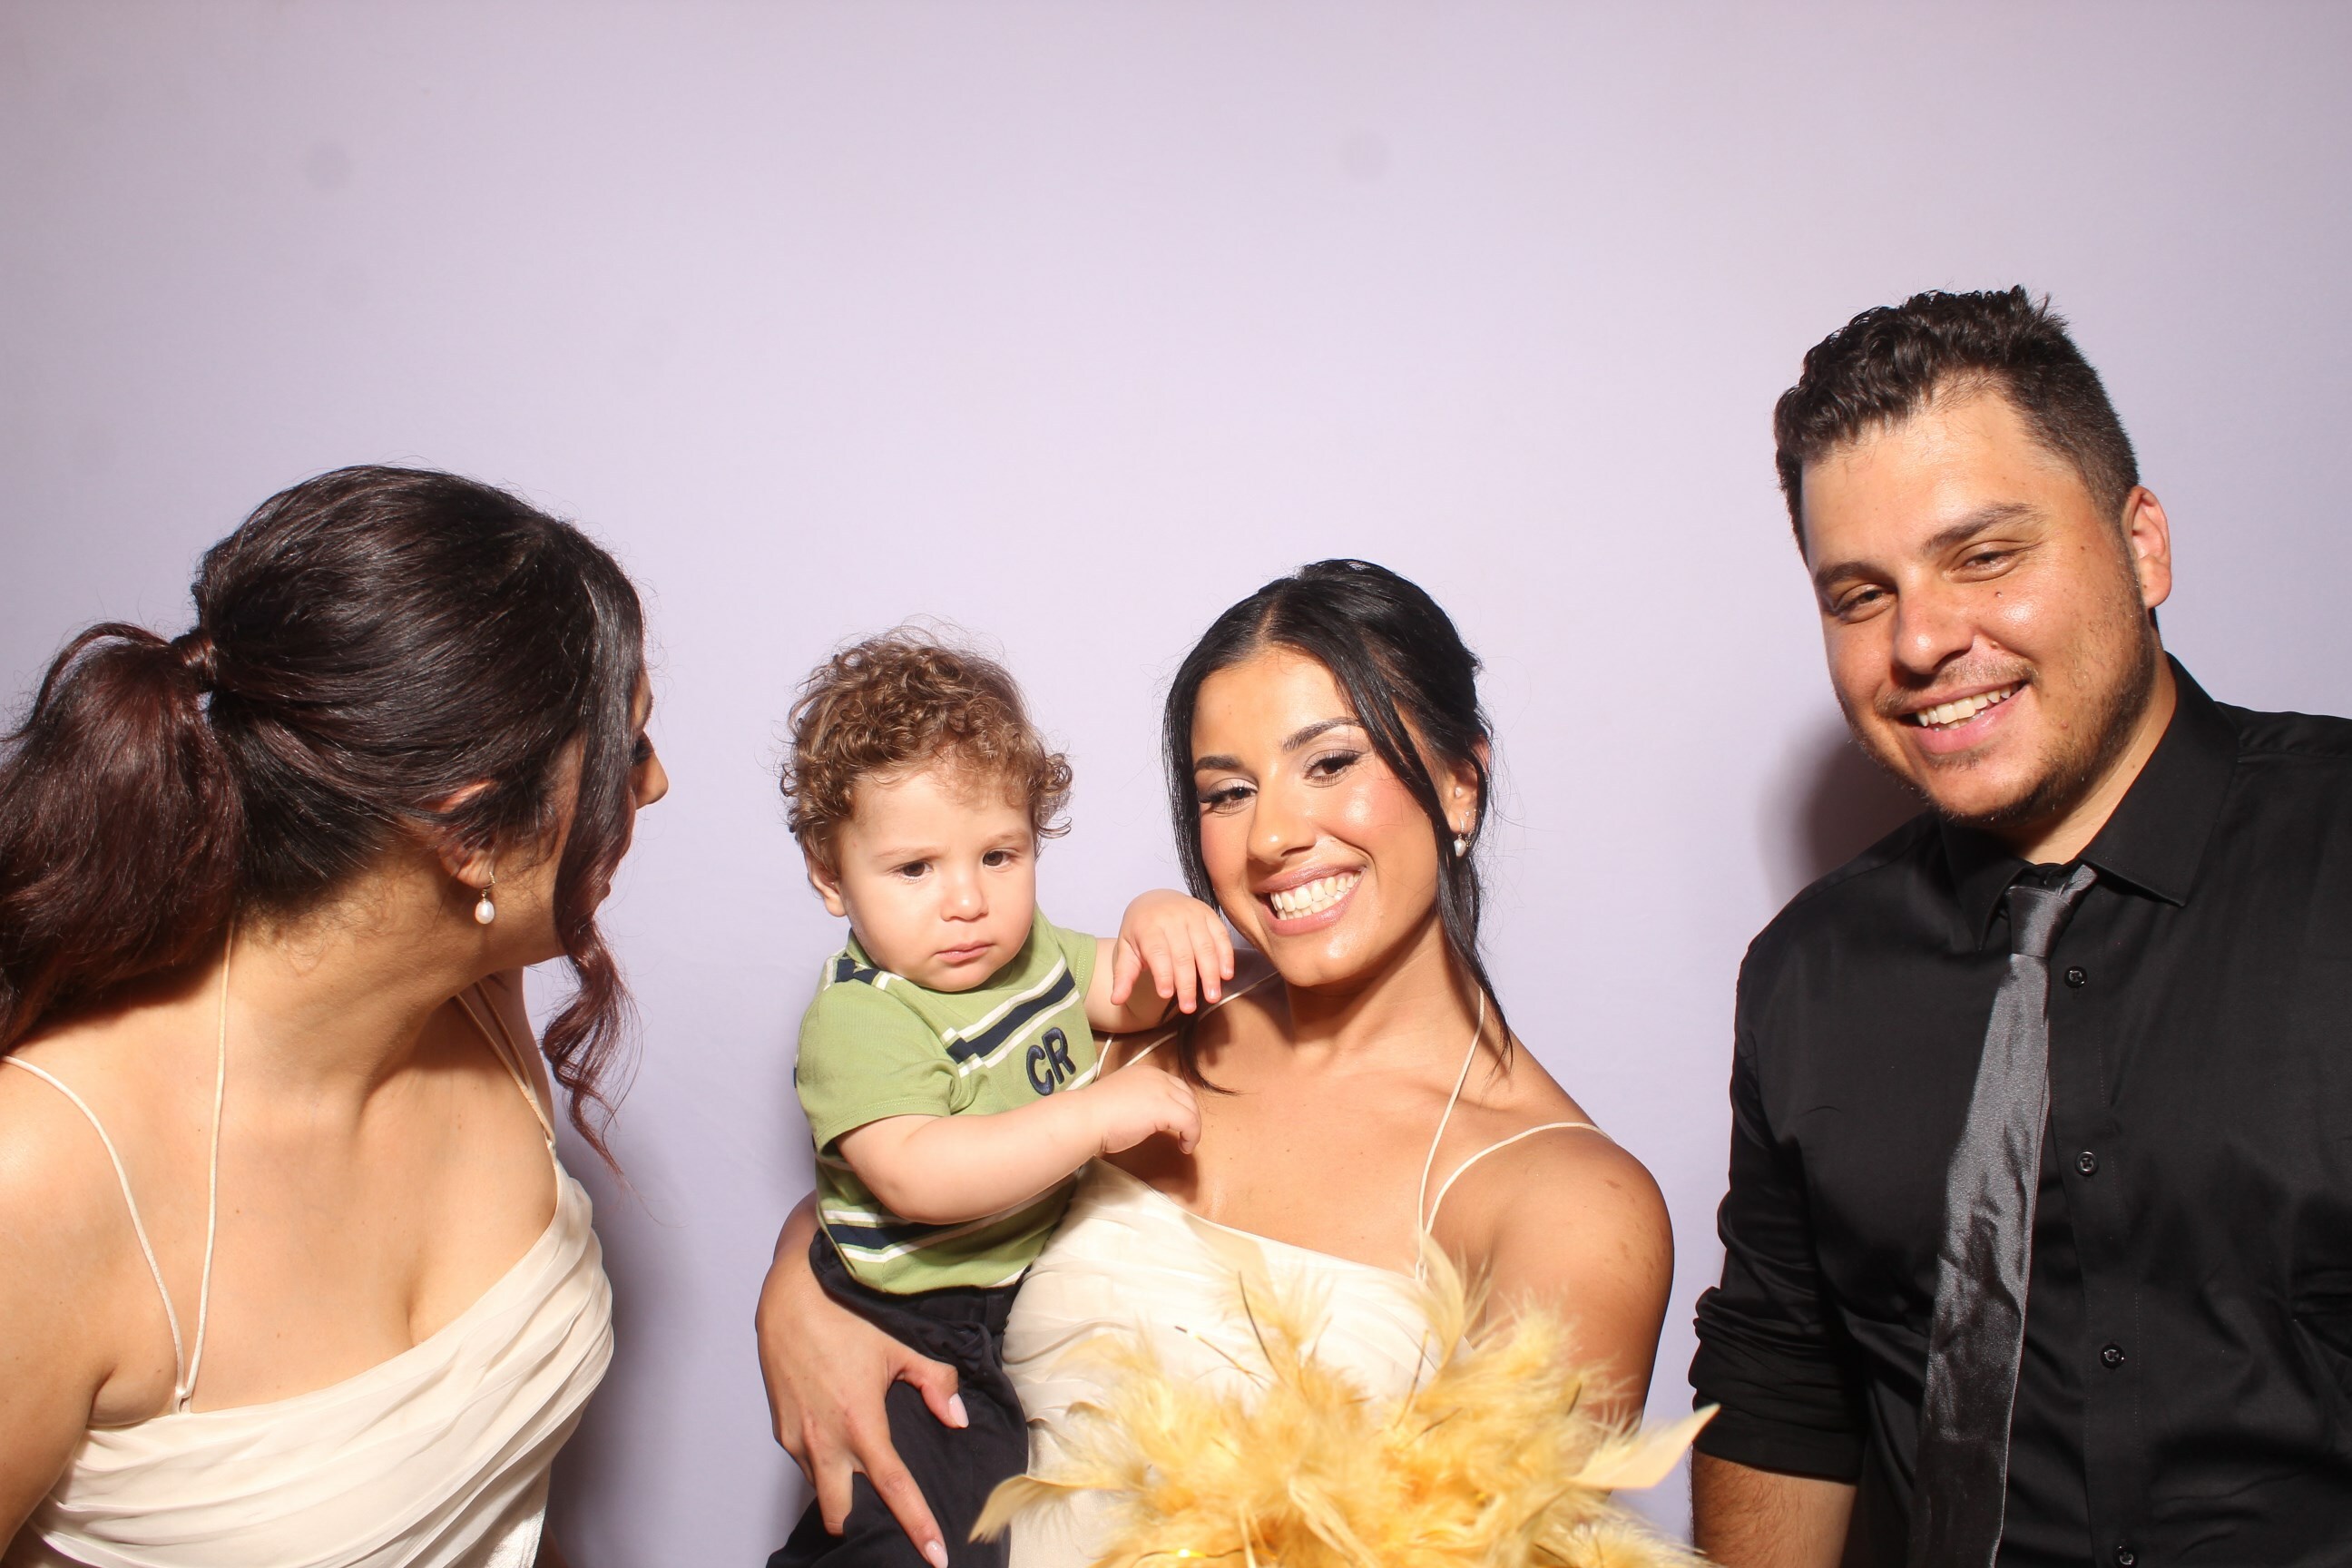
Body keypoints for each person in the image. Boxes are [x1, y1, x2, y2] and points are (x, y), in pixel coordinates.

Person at [757, 561, 1675, 1568]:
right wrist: (800, 1294)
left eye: (1330, 763)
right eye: (1229, 793)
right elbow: (907, 1166)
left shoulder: (1571, 1206)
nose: (1273, 835)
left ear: (1461, 782)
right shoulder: (1137, 1025)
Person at [1688, 288, 2352, 1567]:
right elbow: (1784, 1387)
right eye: (1859, 595)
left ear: (2143, 546)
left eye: (1984, 556)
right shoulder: (1806, 976)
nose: (1922, 640)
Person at [0, 466, 667, 1568]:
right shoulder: (42, 1171)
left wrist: (820, 1282)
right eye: (627, 750)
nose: (654, 786)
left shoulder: (476, 1002)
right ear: (470, 834)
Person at [766, 633, 1233, 1568]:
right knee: (925, 1542)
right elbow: (917, 1176)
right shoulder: (862, 1016)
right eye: (915, 869)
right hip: (906, 1317)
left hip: (1006, 1306)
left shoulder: (1032, 954)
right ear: (830, 874)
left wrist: (1159, 919)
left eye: (998, 855)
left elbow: (1131, 995)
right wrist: (1091, 1118)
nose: (967, 902)